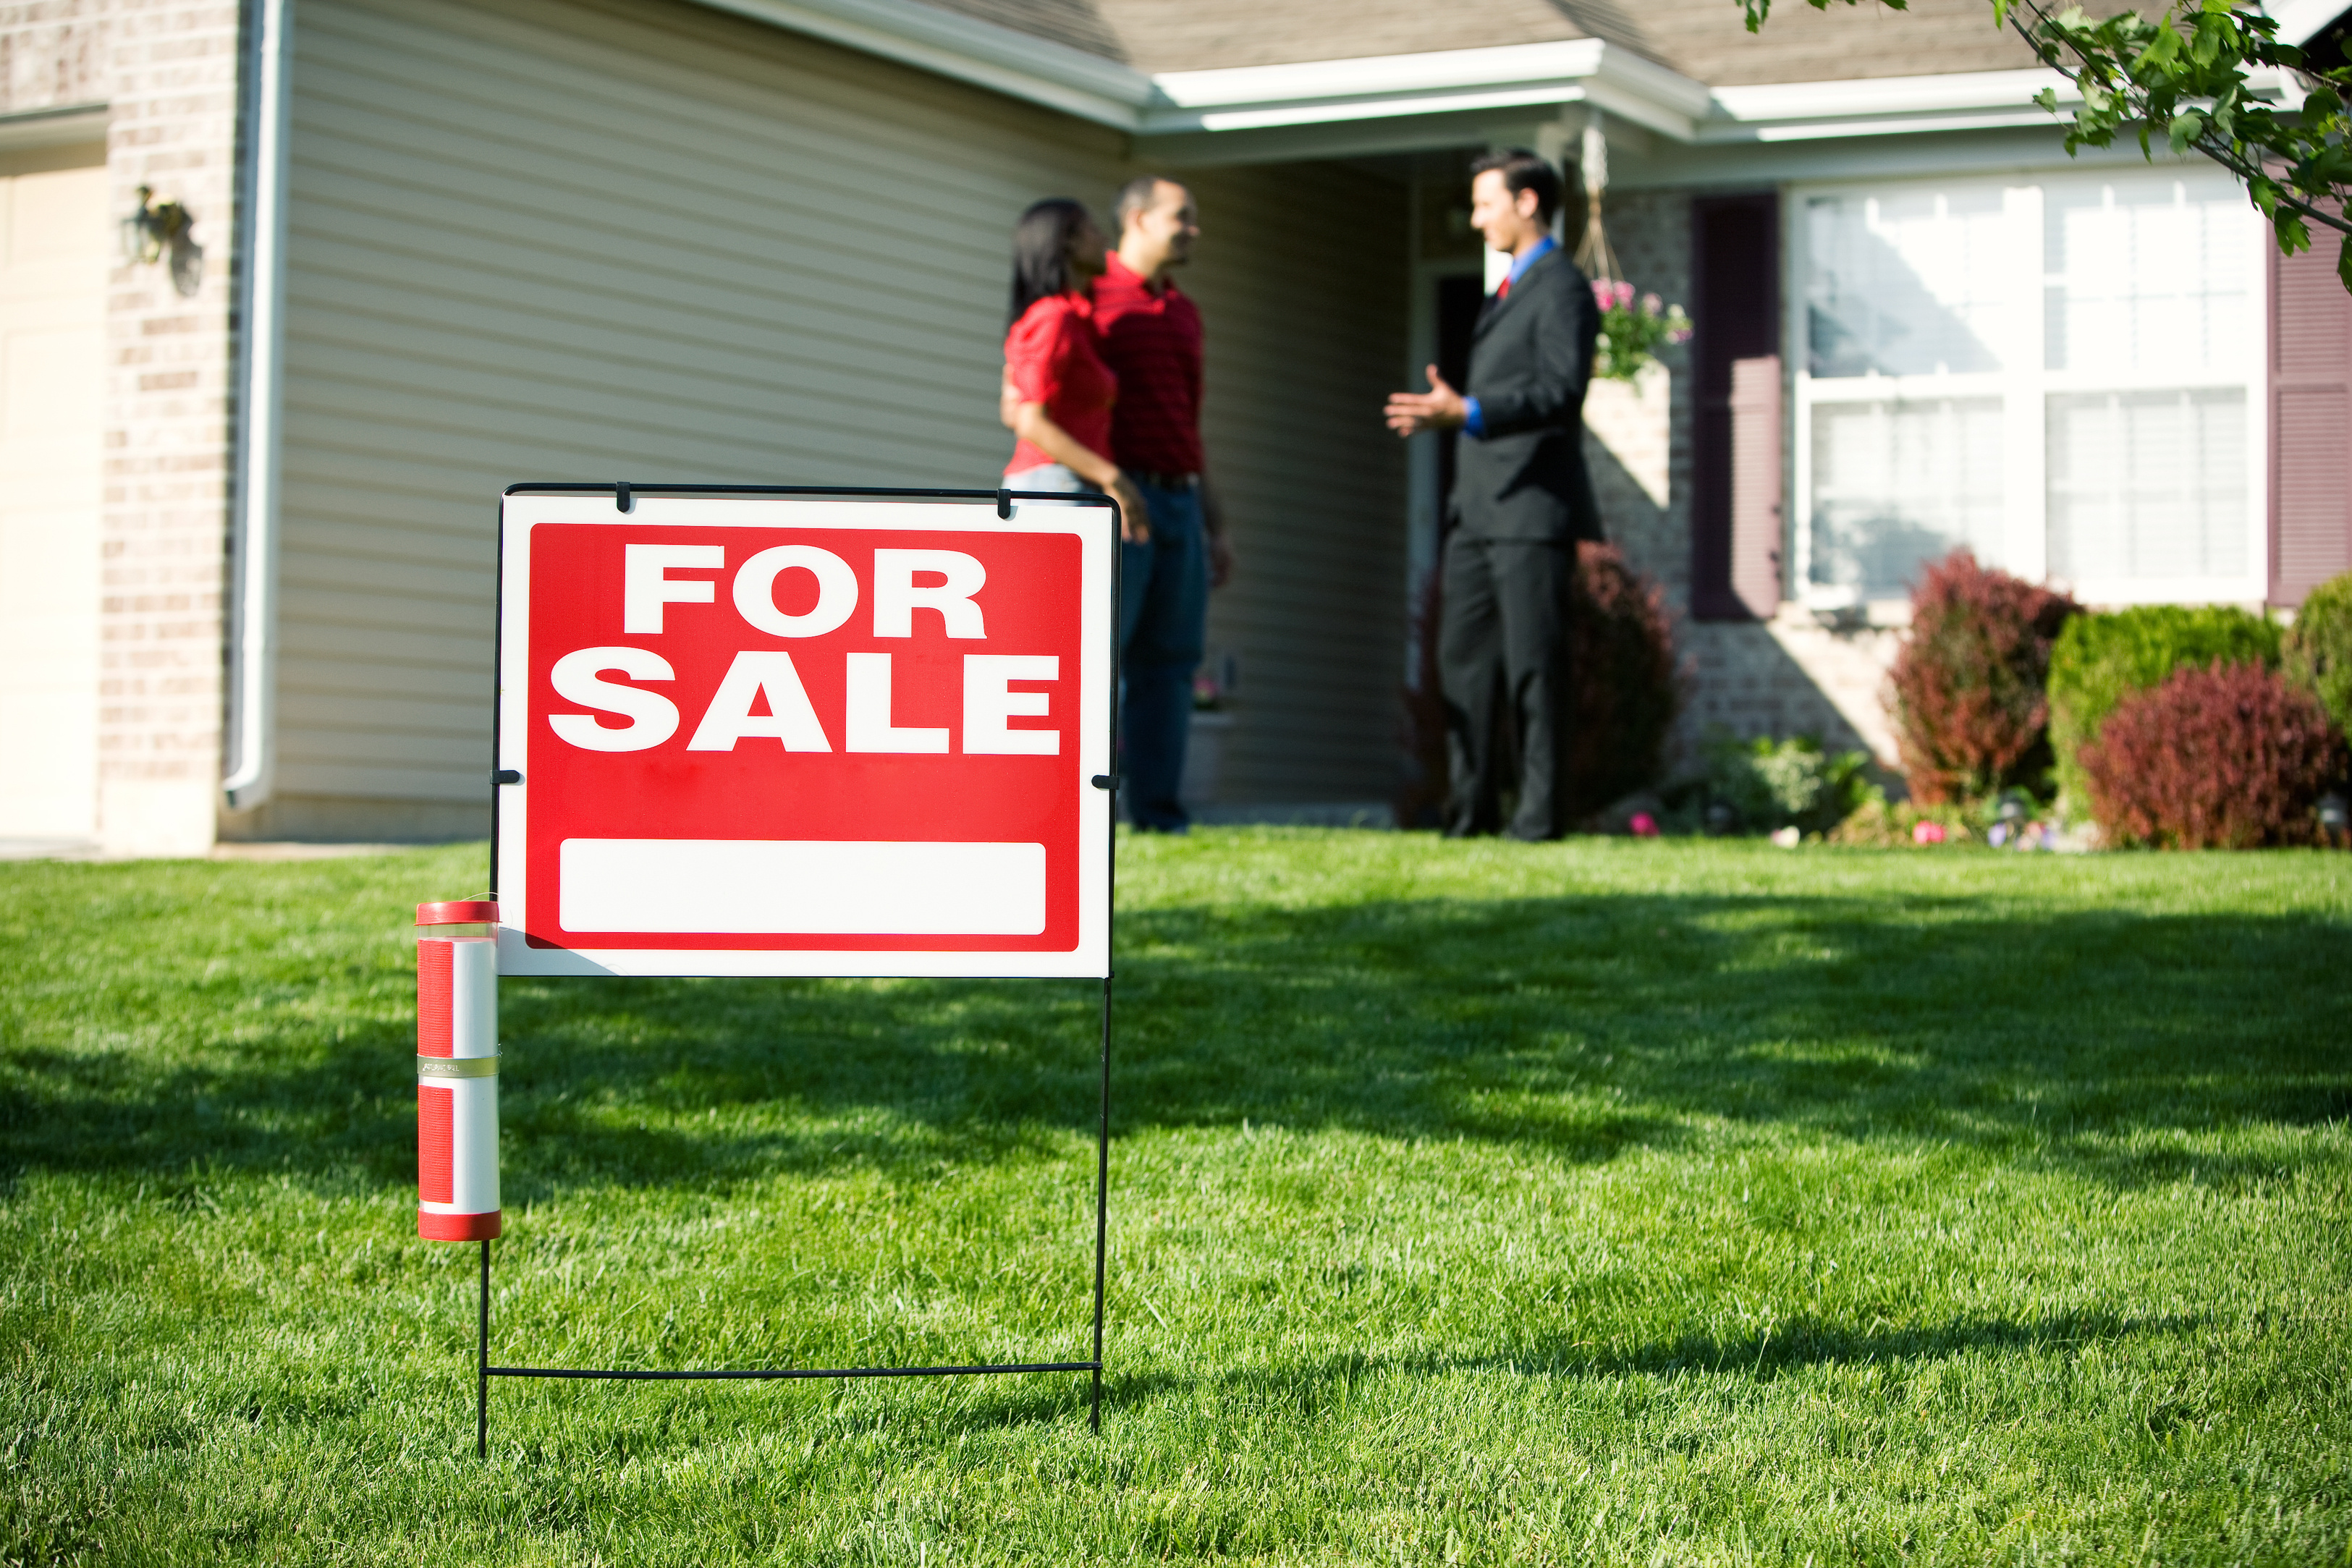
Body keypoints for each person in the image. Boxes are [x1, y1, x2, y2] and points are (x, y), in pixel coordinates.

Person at [1384, 148, 1601, 841]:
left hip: (1532, 510)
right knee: (1462, 664)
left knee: (1535, 667)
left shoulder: (1562, 287)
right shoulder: (1505, 288)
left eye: (1486, 203)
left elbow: (1561, 392)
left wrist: (1468, 412)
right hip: (1476, 512)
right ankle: (1468, 814)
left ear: (1527, 202)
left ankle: (1539, 819)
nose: (1476, 219)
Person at [1091, 175, 1232, 833]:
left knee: (1172, 664)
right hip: (1121, 502)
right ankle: (1090, 815)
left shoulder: (1185, 311)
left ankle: (1158, 814)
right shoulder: (1094, 299)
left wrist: (1215, 522)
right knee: (1104, 657)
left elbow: (1190, 425)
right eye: (1184, 217)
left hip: (1181, 502)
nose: (1194, 230)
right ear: (1141, 219)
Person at [1000, 198, 1148, 534]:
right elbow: (1029, 421)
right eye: (1093, 230)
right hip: (1053, 485)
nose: (1104, 240)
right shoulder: (1055, 317)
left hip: (1067, 482)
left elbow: (1010, 411)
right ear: (1068, 242)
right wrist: (1112, 477)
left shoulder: (1074, 318)